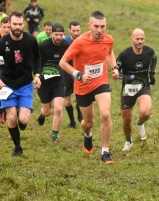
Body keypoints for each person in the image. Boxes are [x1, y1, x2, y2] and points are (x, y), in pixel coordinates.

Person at [60, 11, 119, 164]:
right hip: (82, 86)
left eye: (103, 26)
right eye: (96, 27)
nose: (100, 30)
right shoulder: (79, 42)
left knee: (105, 114)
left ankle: (105, 152)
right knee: (89, 122)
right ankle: (87, 135)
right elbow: (63, 62)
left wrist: (115, 67)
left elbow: (109, 53)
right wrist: (78, 74)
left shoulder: (108, 40)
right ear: (89, 26)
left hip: (101, 82)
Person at [0, 10, 41, 157]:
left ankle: (22, 117)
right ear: (9, 24)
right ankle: (17, 147)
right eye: (14, 24)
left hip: (25, 84)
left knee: (23, 121)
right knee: (11, 118)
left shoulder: (30, 41)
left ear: (24, 24)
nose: (17, 27)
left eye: (20, 24)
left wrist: (37, 75)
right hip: (7, 84)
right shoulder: (2, 43)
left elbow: (37, 58)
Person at [116, 28, 157, 151]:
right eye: (137, 39)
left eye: (142, 39)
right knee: (126, 120)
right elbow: (116, 71)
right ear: (131, 39)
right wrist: (125, 77)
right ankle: (128, 141)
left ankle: (140, 123)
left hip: (143, 86)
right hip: (128, 89)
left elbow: (154, 57)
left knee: (145, 112)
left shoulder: (149, 52)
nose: (140, 41)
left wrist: (152, 73)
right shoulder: (124, 55)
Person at [37, 23, 70, 143]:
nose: (58, 37)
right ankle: (42, 114)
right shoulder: (42, 46)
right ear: (51, 33)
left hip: (58, 80)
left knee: (58, 108)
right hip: (44, 81)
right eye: (56, 34)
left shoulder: (67, 45)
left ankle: (54, 136)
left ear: (64, 34)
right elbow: (35, 61)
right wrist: (37, 76)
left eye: (61, 34)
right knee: (47, 111)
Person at [63, 20, 83, 128]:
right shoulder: (64, 41)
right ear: (69, 30)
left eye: (78, 30)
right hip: (66, 73)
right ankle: (72, 121)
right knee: (67, 100)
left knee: (79, 97)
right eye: (74, 30)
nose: (76, 33)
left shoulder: (84, 41)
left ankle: (80, 114)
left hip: (79, 72)